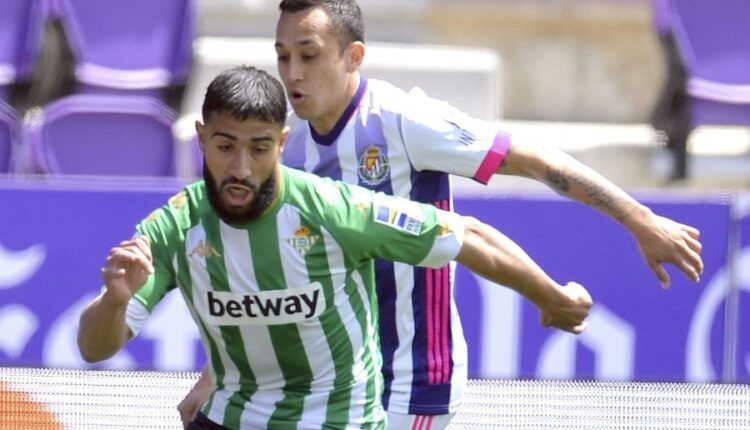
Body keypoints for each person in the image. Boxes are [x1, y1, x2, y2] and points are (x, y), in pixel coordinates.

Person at [178, 1, 705, 429]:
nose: (293, 73)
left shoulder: (404, 121)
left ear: (353, 55)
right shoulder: (288, 151)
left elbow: (536, 161)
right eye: (284, 56)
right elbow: (275, 284)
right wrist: (216, 377)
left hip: (413, 380)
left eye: (309, 56)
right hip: (334, 386)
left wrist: (639, 219)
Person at [77, 65, 593, 430]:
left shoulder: (333, 208)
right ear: (200, 138)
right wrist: (115, 301)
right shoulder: (174, 225)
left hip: (335, 421)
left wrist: (551, 297)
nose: (239, 169)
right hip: (230, 419)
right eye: (224, 146)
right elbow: (94, 347)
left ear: (281, 143)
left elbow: (467, 235)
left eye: (258, 149)